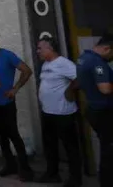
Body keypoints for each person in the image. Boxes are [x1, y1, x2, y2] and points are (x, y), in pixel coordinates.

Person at [0, 28, 35, 180]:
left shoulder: (7, 55)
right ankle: (10, 165)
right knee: (1, 136)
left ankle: (25, 169)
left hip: (7, 103)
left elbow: (27, 70)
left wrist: (15, 89)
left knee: (14, 135)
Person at [36, 37, 82, 187]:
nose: (38, 51)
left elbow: (80, 78)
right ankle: (52, 174)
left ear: (50, 49)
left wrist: (70, 90)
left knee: (70, 147)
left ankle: (76, 179)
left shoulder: (64, 64)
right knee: (50, 145)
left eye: (40, 48)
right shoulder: (46, 64)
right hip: (48, 112)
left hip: (63, 113)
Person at [76, 33, 113, 187]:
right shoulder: (97, 63)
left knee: (107, 148)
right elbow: (105, 89)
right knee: (109, 150)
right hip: (103, 111)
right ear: (106, 49)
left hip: (93, 108)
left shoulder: (83, 58)